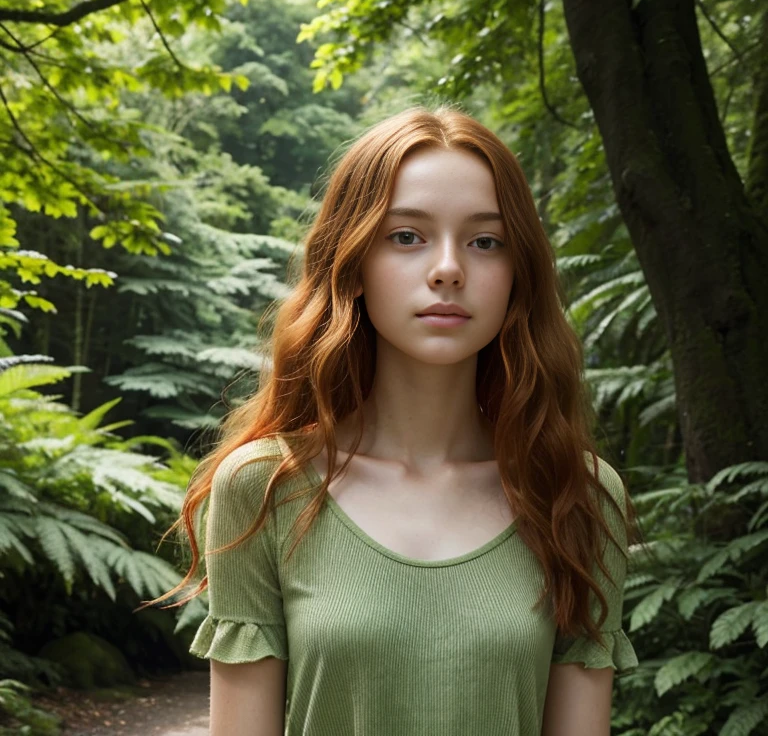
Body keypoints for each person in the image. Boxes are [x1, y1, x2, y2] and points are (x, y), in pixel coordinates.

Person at [145, 104, 640, 735]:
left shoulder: (578, 495)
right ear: (350, 263)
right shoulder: (265, 486)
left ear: (518, 275)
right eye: (406, 236)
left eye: (485, 241)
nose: (448, 268)